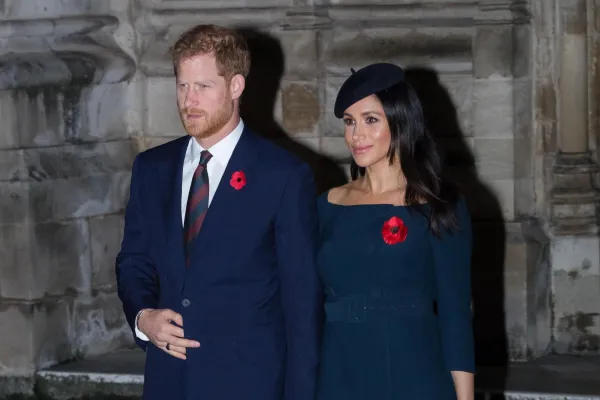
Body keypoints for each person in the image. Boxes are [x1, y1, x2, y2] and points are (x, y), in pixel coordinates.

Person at [115, 24, 322, 400]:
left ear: (236, 86)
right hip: (169, 379)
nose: (189, 100)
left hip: (250, 383)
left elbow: (301, 304)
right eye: (182, 85)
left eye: (203, 86)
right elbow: (134, 261)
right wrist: (144, 317)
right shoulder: (152, 168)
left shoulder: (283, 175)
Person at [316, 63, 475, 399]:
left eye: (371, 120)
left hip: (414, 372)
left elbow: (455, 314)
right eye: (349, 122)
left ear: (401, 121)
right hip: (338, 371)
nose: (356, 134)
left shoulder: (438, 205)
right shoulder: (326, 205)